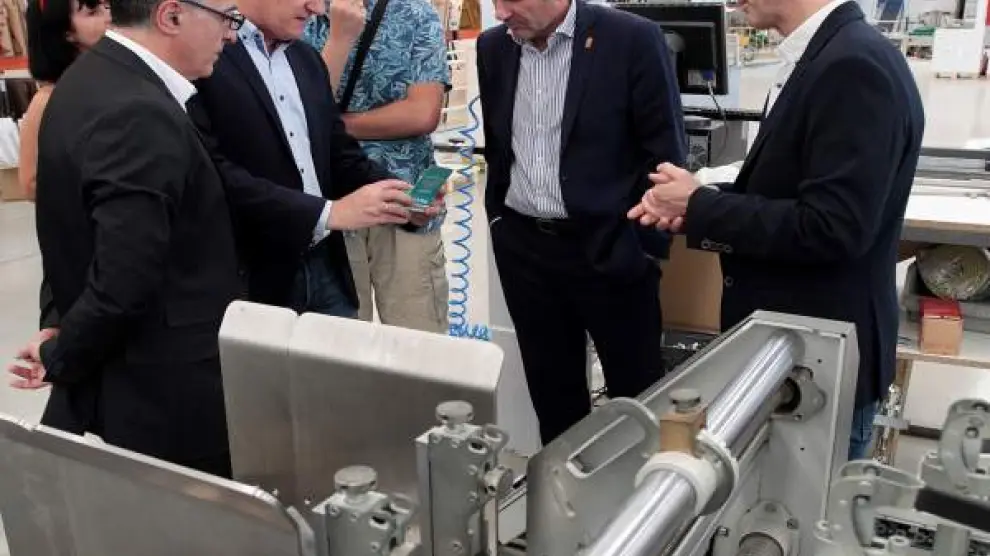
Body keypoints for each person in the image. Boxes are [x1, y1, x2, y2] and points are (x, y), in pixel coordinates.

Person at [9, 0, 426, 477]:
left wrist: (59, 322)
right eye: (226, 17)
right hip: (171, 384)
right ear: (171, 16)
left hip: (149, 369)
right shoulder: (138, 110)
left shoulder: (89, 81)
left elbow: (72, 234)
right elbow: (125, 274)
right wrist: (61, 354)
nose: (231, 34)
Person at [628, 0, 925, 460]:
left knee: (808, 506)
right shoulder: (823, 56)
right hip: (792, 359)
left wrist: (702, 205)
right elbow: (787, 189)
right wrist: (698, 204)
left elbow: (832, 227)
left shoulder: (851, 67)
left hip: (819, 364)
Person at [476, 0, 686, 444]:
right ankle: (563, 486)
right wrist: (498, 222)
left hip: (611, 250)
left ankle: (640, 487)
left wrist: (641, 247)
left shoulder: (631, 39)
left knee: (637, 401)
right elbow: (499, 146)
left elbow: (665, 154)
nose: (500, 12)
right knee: (554, 402)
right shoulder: (494, 48)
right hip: (525, 253)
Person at [187, 0, 436, 318]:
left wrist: (401, 197)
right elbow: (212, 171)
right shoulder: (205, 57)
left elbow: (337, 153)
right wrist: (326, 213)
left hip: (326, 264)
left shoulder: (305, 59)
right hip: (254, 276)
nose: (317, 8)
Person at [301, 0, 451, 333]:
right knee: (343, 340)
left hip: (405, 200)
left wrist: (332, 125)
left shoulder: (415, 13)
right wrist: (340, 39)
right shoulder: (304, 15)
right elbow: (301, 107)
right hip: (331, 206)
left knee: (418, 336)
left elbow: (421, 114)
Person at [11, 0, 110, 343]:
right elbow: (29, 182)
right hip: (81, 240)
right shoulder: (49, 99)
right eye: (92, 11)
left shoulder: (114, 83)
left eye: (107, 6)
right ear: (66, 31)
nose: (108, 17)